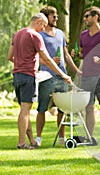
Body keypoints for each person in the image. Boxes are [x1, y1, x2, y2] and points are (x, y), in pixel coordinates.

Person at [7, 13, 71, 149]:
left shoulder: (17, 34)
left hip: (17, 76)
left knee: (24, 110)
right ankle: (21, 143)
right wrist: (63, 75)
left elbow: (9, 56)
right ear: (39, 22)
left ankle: (32, 141)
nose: (43, 29)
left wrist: (20, 64)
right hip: (28, 76)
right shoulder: (35, 36)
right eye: (43, 25)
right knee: (25, 111)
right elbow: (47, 59)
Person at [35, 6, 82, 146]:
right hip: (46, 76)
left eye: (56, 15)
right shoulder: (40, 35)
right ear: (45, 17)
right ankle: (38, 138)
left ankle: (62, 138)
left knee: (62, 109)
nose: (56, 18)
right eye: (53, 16)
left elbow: (66, 55)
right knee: (42, 107)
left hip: (61, 76)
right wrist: (48, 61)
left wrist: (77, 70)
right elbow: (37, 56)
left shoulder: (60, 34)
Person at [75, 6, 100, 146]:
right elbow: (81, 53)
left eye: (87, 16)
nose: (85, 19)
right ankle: (89, 138)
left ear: (96, 17)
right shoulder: (83, 35)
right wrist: (77, 55)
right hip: (86, 75)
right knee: (89, 107)